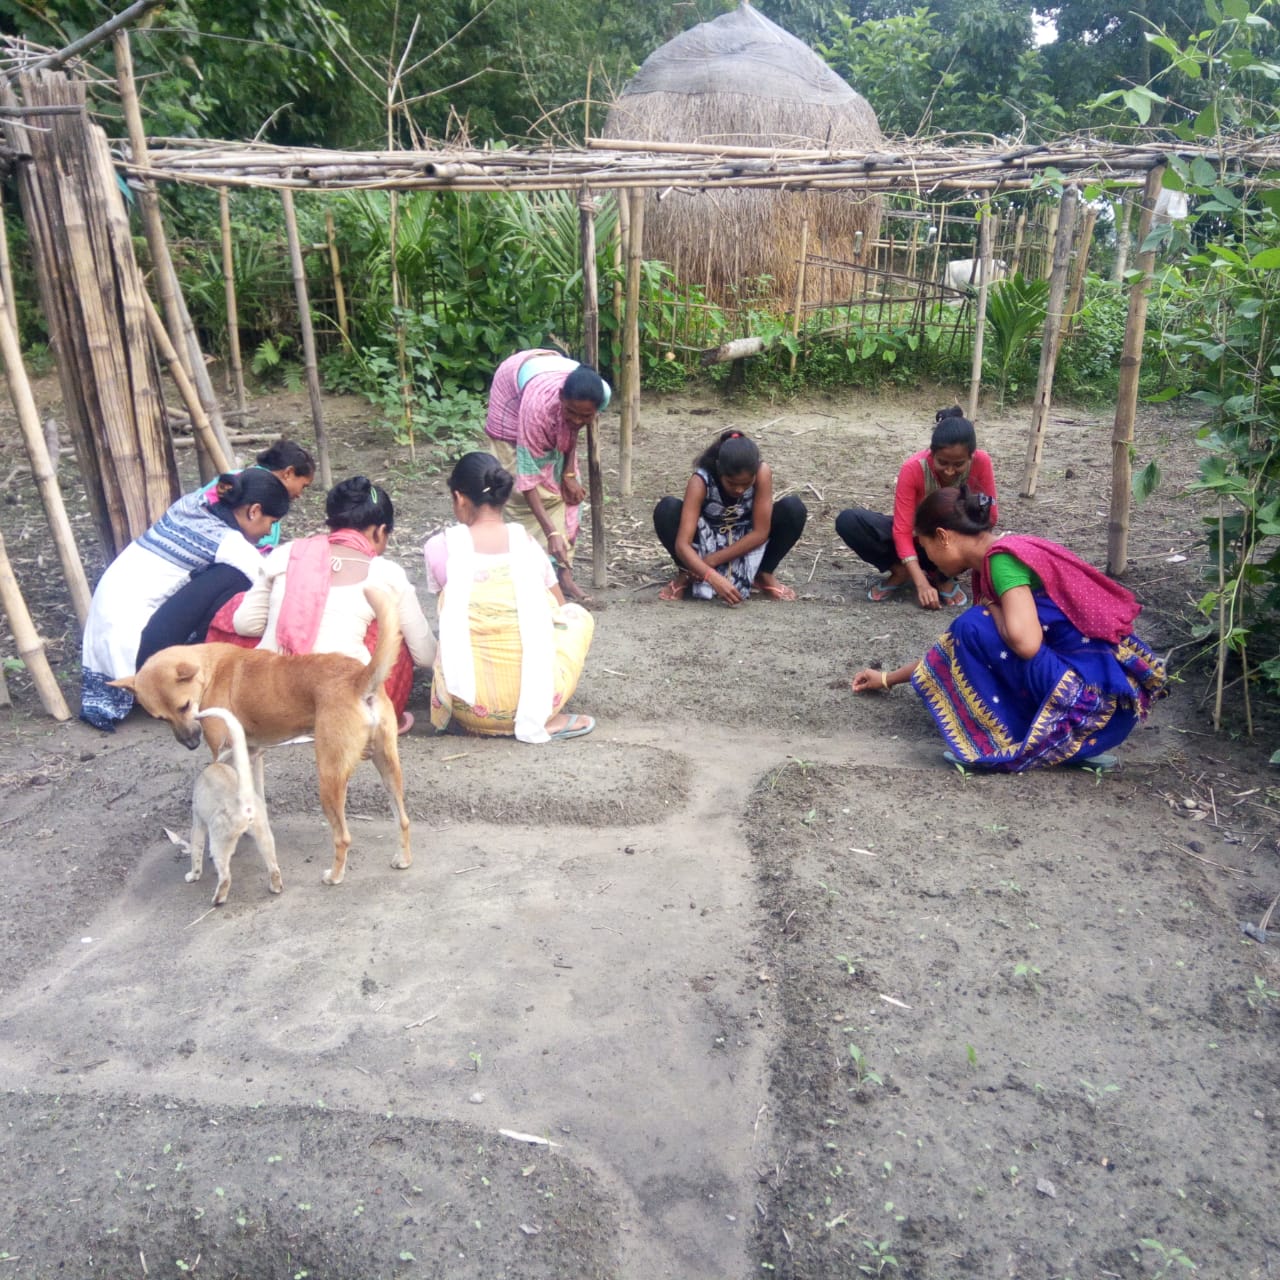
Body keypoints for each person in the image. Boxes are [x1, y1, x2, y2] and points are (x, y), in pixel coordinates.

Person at [851, 485, 1168, 772]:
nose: (927, 559)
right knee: (978, 627)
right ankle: (1062, 739)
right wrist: (888, 678)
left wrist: (990, 607)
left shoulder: (1002, 562)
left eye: (926, 548)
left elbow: (1026, 643)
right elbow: (953, 652)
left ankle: (1022, 740)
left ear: (943, 536)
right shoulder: (1009, 550)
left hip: (1091, 704)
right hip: (1104, 697)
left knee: (974, 625)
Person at [80, 468, 292, 731]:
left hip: (107, 647)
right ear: (254, 511)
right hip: (139, 661)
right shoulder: (228, 543)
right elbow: (268, 579)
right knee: (235, 577)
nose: (268, 532)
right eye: (271, 523)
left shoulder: (192, 505)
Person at [229, 476, 436, 732]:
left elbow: (244, 623)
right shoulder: (386, 573)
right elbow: (426, 656)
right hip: (346, 708)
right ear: (381, 531)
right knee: (392, 631)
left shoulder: (285, 554)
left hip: (271, 705)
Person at [424, 451, 595, 743]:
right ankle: (544, 717)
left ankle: (477, 711)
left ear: (459, 497)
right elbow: (559, 610)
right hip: (538, 704)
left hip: (465, 706)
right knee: (576, 617)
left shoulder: (439, 548)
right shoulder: (527, 544)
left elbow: (452, 615)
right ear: (503, 497)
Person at [835, 407, 997, 609]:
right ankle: (902, 571)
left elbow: (989, 518)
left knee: (976, 531)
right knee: (849, 521)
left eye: (958, 464)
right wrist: (919, 582)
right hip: (918, 538)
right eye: (942, 462)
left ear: (972, 456)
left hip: (952, 544)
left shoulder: (982, 462)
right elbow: (902, 530)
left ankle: (942, 577)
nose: (949, 470)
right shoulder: (913, 468)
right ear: (932, 453)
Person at [483, 348, 610, 604]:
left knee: (569, 495)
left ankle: (563, 575)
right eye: (571, 411)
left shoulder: (600, 395)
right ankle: (529, 575)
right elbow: (527, 480)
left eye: (586, 415)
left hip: (544, 378)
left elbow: (572, 429)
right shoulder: (537, 407)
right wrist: (551, 533)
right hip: (512, 398)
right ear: (561, 397)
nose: (577, 419)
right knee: (517, 498)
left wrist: (569, 472)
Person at [652, 429, 808, 604]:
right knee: (667, 509)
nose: (739, 490)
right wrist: (710, 575)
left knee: (793, 508)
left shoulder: (763, 472)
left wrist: (712, 561)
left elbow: (760, 532)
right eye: (732, 483)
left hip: (747, 540)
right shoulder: (700, 481)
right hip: (706, 541)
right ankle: (686, 573)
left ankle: (763, 574)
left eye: (746, 484)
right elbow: (682, 545)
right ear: (720, 471)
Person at [199, 438, 315, 547]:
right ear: (288, 473)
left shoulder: (237, 475)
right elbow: (259, 548)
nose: (300, 494)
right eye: (303, 486)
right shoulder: (268, 496)